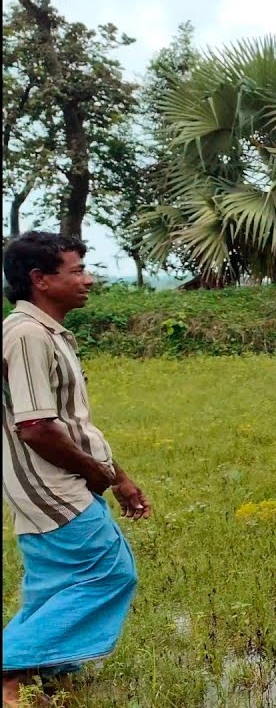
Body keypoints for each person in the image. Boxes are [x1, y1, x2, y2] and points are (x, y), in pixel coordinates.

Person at [2, 231, 151, 706]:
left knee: (55, 587)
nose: (88, 280)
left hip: (54, 482)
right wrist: (97, 475)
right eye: (77, 271)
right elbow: (38, 428)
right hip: (50, 484)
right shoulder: (26, 335)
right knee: (109, 573)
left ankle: (43, 679)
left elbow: (70, 422)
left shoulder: (48, 334)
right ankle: (9, 672)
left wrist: (119, 476)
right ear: (40, 279)